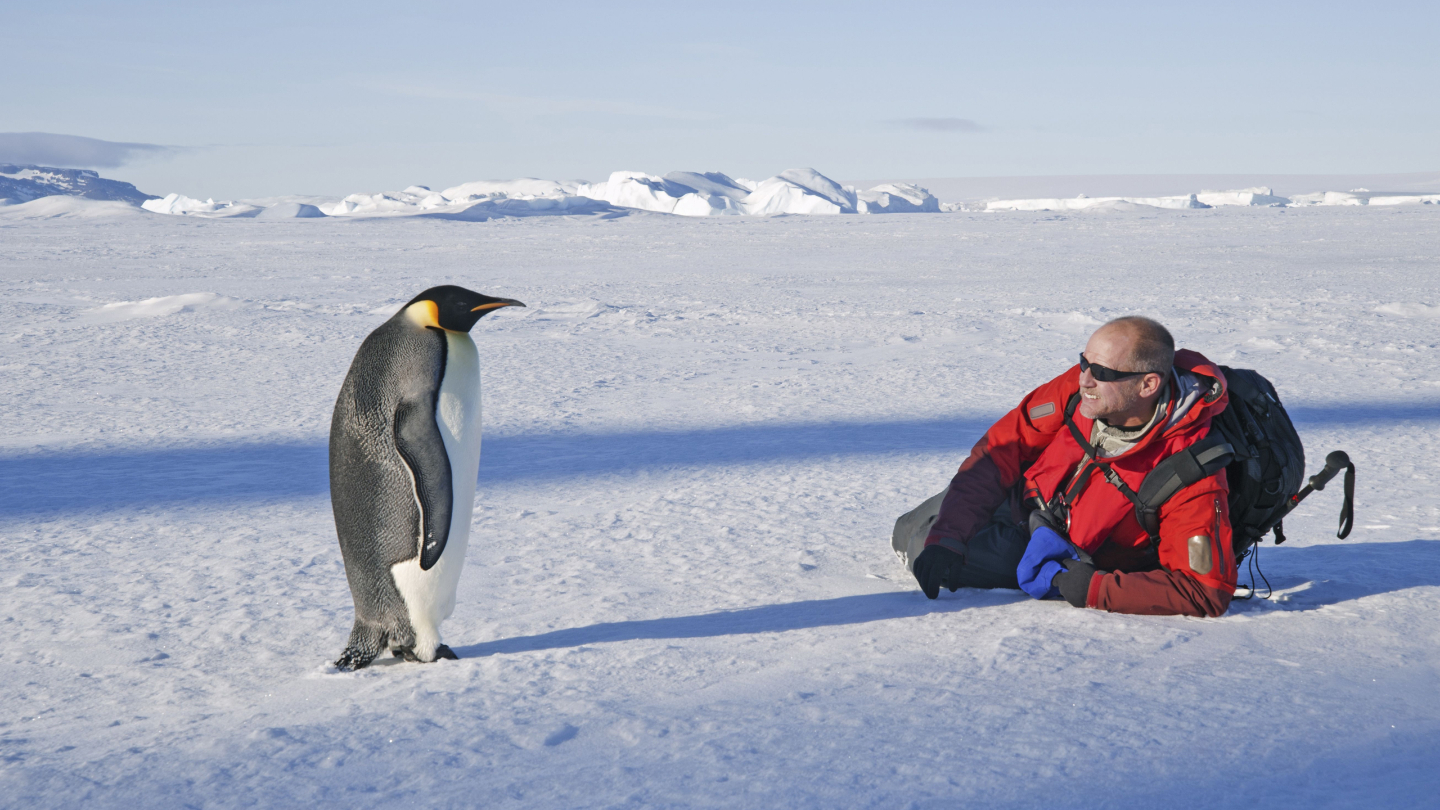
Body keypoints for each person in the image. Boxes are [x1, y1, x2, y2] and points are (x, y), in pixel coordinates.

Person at [908, 316, 1237, 617]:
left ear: (1148, 385)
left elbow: (1205, 591)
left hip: (1070, 555)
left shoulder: (1189, 470)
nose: (1084, 379)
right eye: (1084, 362)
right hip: (1025, 506)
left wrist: (1093, 588)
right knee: (925, 535)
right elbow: (1000, 451)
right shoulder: (1081, 392)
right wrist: (948, 538)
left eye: (1103, 373)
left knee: (917, 540)